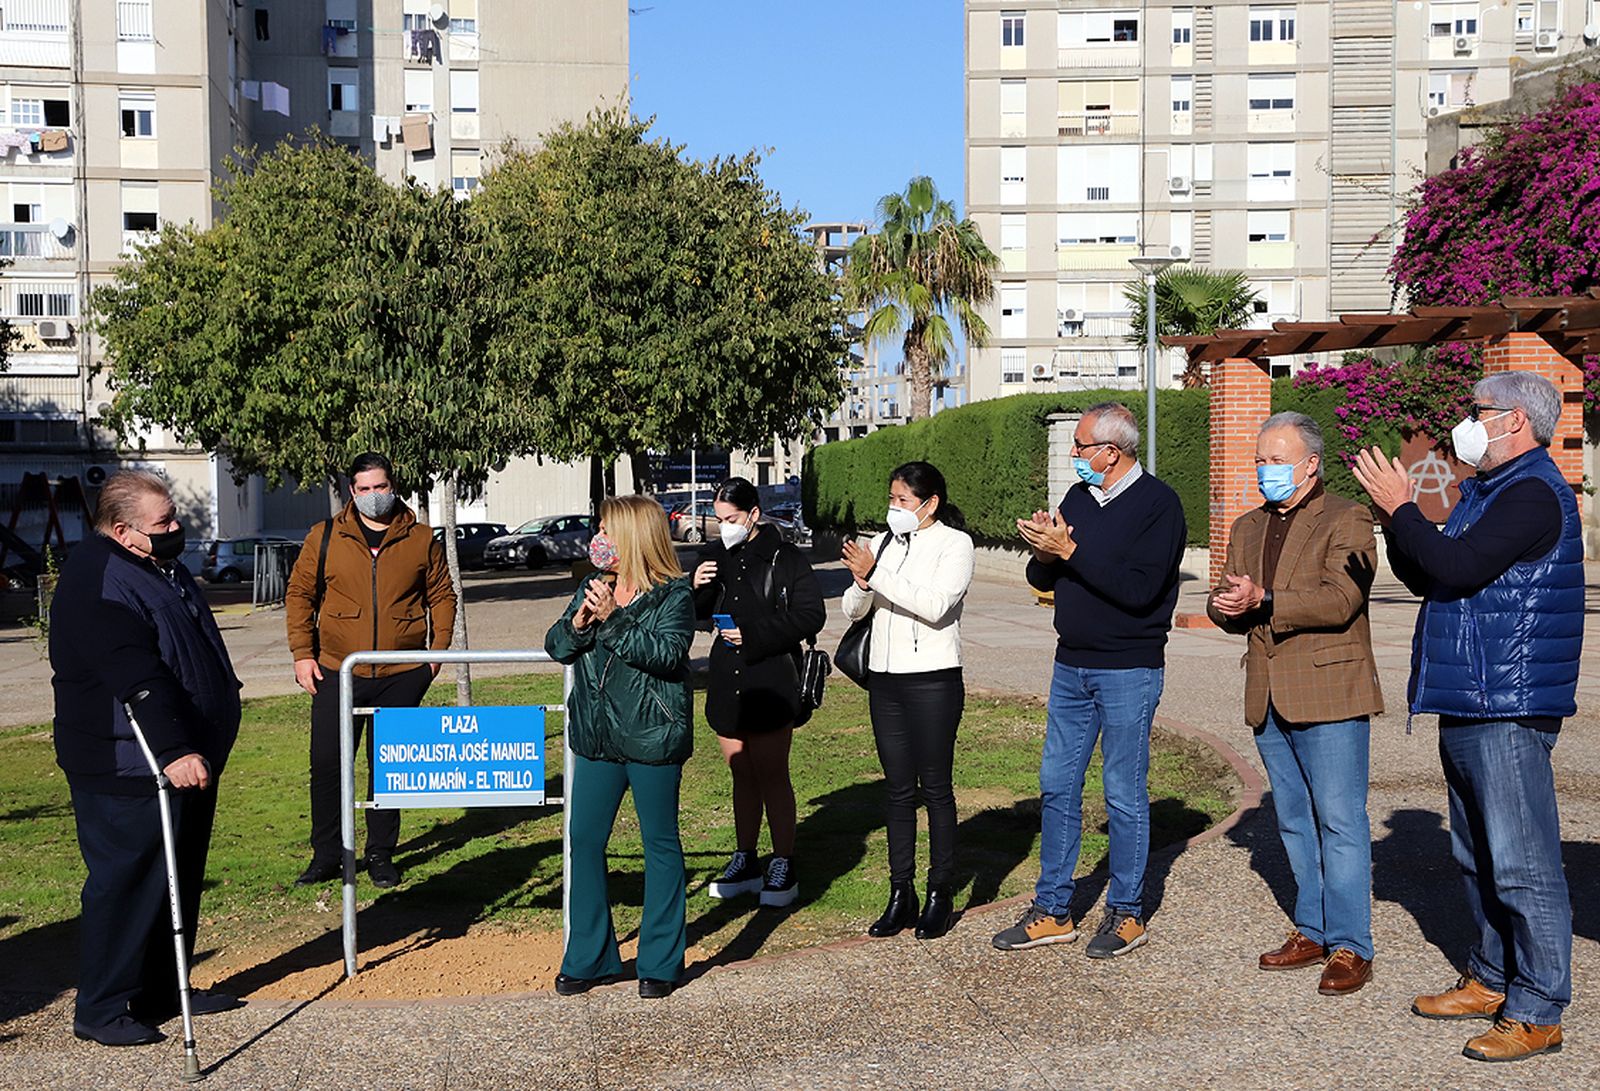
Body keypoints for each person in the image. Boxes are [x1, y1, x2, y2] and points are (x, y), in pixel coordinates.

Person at [1352, 372, 1581, 1063]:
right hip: (1470, 696)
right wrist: (1398, 520)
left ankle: (1538, 1008)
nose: (1466, 424)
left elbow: (1461, 559)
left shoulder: (1535, 491)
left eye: (1478, 413)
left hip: (1508, 703)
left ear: (1515, 422)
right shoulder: (1487, 490)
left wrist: (1406, 507)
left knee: (1522, 863)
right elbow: (1432, 573)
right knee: (1476, 854)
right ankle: (1491, 977)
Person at [50, 470, 245, 1046]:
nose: (176, 529)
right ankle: (102, 1007)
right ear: (121, 530)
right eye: (163, 523)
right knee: (127, 881)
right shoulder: (99, 577)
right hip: (128, 763)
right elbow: (133, 673)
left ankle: (165, 989)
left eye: (173, 517)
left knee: (176, 880)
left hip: (186, 754)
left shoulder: (158, 565)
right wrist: (175, 748)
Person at [994, 402, 1185, 959]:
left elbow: (1139, 591)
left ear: (1112, 451)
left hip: (1128, 666)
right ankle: (1053, 909)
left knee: (1122, 793)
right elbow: (1042, 574)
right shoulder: (1079, 498)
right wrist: (1044, 549)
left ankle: (1127, 913)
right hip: (1070, 663)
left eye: (1080, 446)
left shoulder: (1159, 505)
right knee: (1056, 784)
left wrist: (1070, 550)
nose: (1074, 456)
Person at [1207, 412, 1383, 996]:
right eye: (1260, 460)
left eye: (1277, 460)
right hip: (1267, 692)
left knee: (1340, 821)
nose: (1266, 470)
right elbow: (1231, 597)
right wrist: (1225, 607)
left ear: (1310, 464)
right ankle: (1313, 928)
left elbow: (1340, 600)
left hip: (1329, 691)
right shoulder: (1247, 525)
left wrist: (1267, 598)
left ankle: (1352, 944)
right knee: (1293, 820)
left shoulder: (1348, 517)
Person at [545, 494, 695, 998]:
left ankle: (660, 962)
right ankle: (590, 958)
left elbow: (667, 654)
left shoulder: (674, 593)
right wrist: (580, 623)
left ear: (632, 535)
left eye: (607, 528)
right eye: (598, 528)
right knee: (584, 840)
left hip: (652, 736)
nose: (599, 538)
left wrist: (614, 619)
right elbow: (557, 646)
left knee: (659, 845)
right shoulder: (595, 585)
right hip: (597, 738)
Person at [285, 452, 455, 889]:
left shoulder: (420, 538)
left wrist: (436, 654)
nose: (373, 496)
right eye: (364, 489)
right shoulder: (324, 536)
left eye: (380, 487)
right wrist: (303, 653)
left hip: (402, 672)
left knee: (388, 767)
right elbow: (300, 595)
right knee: (327, 764)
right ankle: (327, 855)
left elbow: (442, 595)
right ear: (351, 492)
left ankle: (381, 853)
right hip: (335, 671)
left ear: (393, 486)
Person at [840, 461, 975, 940]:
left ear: (929, 503)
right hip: (885, 678)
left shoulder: (955, 544)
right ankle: (902, 891)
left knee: (935, 787)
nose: (893, 508)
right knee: (897, 789)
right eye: (891, 499)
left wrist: (876, 573)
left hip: (933, 679)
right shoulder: (882, 543)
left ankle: (940, 890)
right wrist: (860, 581)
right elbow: (854, 610)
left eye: (902, 500)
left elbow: (936, 605)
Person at [692, 478, 826, 908]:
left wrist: (751, 634)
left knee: (772, 773)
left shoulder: (785, 557)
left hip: (770, 678)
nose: (723, 527)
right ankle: (745, 856)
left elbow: (810, 615)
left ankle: (783, 860)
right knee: (741, 772)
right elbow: (695, 614)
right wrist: (695, 585)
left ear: (753, 514)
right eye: (718, 520)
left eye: (730, 519)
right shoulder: (714, 555)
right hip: (726, 678)